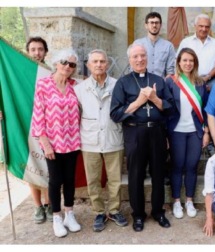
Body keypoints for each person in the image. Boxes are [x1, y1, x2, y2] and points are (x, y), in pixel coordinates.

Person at [110, 43, 173, 232]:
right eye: (135, 56)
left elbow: (169, 108)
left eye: (142, 56)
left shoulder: (158, 80)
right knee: (135, 175)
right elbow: (115, 114)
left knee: (158, 174)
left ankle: (157, 211)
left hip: (157, 133)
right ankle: (138, 214)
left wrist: (154, 98)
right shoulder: (123, 82)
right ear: (129, 60)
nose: (140, 59)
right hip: (134, 133)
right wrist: (139, 101)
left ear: (147, 58)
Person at [74, 49, 128, 232]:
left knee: (115, 179)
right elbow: (76, 115)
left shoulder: (118, 85)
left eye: (102, 61)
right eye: (95, 62)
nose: (98, 65)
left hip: (113, 137)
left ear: (107, 64)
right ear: (88, 65)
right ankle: (98, 211)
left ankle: (113, 210)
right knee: (93, 180)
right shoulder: (79, 89)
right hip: (90, 140)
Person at [31, 48, 81, 238]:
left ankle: (69, 213)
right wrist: (45, 143)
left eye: (72, 64)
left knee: (70, 179)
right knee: (55, 181)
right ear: (57, 63)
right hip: (52, 142)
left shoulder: (74, 86)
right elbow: (38, 116)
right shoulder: (44, 85)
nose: (68, 67)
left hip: (73, 141)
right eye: (65, 62)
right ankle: (57, 217)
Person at [165, 48, 209, 219]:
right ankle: (177, 201)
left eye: (191, 60)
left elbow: (205, 110)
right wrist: (165, 135)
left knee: (191, 166)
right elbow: (166, 110)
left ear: (195, 63)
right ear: (179, 62)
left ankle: (189, 200)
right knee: (176, 166)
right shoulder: (171, 82)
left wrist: (206, 132)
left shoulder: (200, 84)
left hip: (195, 131)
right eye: (184, 60)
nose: (188, 63)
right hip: (176, 131)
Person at [24, 37, 53, 224]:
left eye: (40, 49)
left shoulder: (50, 73)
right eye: (33, 49)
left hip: (47, 127)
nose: (37, 53)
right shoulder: (20, 71)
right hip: (25, 124)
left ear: (45, 51)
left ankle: (50, 204)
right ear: (27, 51)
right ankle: (37, 207)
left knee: (47, 168)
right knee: (32, 166)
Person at [177, 13, 215, 91]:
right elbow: (178, 62)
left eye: (207, 27)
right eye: (201, 26)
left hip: (212, 80)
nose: (204, 29)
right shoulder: (186, 42)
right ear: (195, 26)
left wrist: (207, 78)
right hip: (190, 80)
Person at [133, 11, 176, 79]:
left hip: (161, 85)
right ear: (146, 25)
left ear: (160, 25)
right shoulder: (138, 44)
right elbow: (133, 67)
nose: (154, 25)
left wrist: (163, 85)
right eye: (151, 22)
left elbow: (170, 71)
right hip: (141, 84)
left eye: (156, 23)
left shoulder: (168, 46)